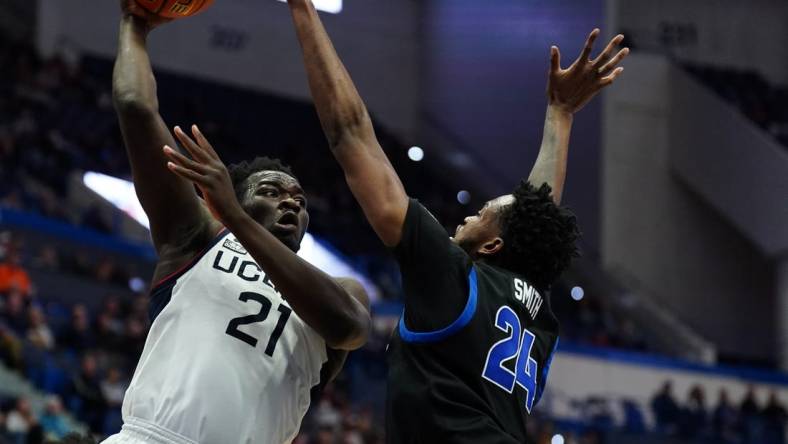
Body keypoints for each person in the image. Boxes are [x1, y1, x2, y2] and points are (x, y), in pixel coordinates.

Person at [284, 1, 628, 441]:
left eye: (481, 214)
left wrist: (302, 10)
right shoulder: (536, 312)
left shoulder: (454, 278)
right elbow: (532, 217)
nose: (468, 215)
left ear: (491, 246)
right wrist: (559, 116)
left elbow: (351, 134)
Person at [104, 2, 371, 443]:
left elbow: (350, 328)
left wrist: (234, 217)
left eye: (299, 200)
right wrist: (134, 24)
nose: (290, 203)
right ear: (231, 198)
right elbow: (135, 107)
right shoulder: (197, 237)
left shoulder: (342, 290)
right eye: (270, 192)